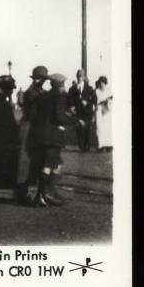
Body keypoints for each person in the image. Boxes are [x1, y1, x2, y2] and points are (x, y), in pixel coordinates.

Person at [32, 73, 85, 207]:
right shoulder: (59, 95)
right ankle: (41, 195)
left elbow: (46, 114)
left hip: (43, 134)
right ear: (60, 84)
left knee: (54, 164)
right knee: (49, 165)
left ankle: (46, 193)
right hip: (53, 135)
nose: (64, 87)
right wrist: (76, 120)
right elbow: (59, 116)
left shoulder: (45, 95)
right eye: (63, 84)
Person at [14, 65, 49, 204]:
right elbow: (34, 110)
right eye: (40, 79)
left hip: (34, 128)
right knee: (24, 161)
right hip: (28, 127)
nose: (41, 81)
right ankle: (21, 194)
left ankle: (28, 192)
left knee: (33, 161)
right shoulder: (31, 92)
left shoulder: (39, 91)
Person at [67, 69, 97, 152]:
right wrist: (71, 106)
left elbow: (94, 99)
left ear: (84, 77)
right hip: (78, 112)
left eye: (81, 76)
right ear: (76, 77)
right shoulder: (72, 88)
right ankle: (81, 146)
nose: (80, 78)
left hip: (87, 112)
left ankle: (87, 145)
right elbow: (69, 99)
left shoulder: (89, 88)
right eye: (78, 76)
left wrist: (87, 102)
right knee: (79, 129)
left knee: (87, 129)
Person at [95, 76, 113, 151]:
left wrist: (107, 101)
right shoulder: (96, 91)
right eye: (100, 82)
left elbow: (111, 99)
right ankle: (101, 145)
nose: (101, 84)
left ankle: (109, 145)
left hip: (107, 111)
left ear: (105, 83)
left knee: (107, 128)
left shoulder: (109, 91)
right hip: (99, 110)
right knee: (99, 128)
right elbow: (95, 101)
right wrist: (100, 102)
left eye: (103, 82)